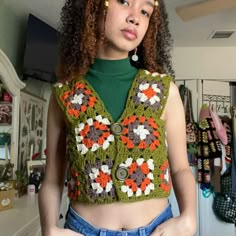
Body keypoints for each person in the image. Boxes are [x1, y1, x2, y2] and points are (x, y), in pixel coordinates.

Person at [38, 0, 197, 235]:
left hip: (158, 229)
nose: (135, 17)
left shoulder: (164, 91)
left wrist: (189, 218)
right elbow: (52, 179)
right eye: (124, 2)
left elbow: (181, 168)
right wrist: (48, 229)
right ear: (93, 6)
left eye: (145, 11)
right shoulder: (64, 95)